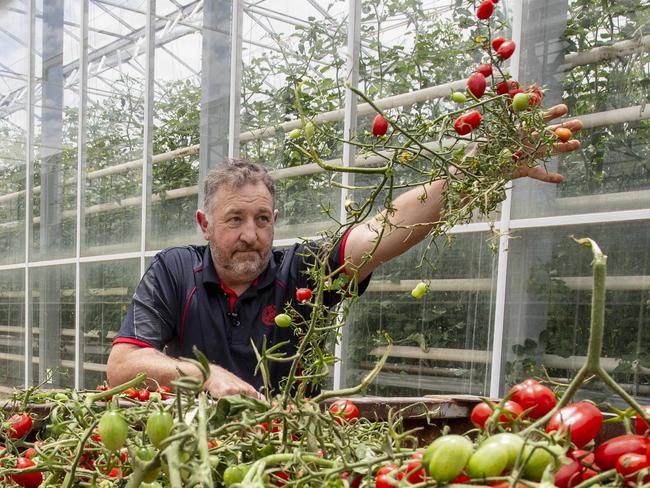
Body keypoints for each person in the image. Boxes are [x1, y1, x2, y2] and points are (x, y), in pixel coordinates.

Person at [106, 104, 582, 399]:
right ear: (205, 226)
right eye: (234, 220)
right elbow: (123, 366)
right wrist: (204, 376)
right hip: (197, 447)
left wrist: (483, 168)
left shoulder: (302, 270)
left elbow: (386, 227)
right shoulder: (174, 271)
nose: (251, 234)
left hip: (293, 446)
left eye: (263, 219)